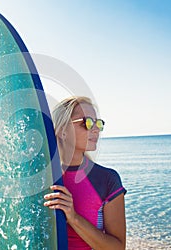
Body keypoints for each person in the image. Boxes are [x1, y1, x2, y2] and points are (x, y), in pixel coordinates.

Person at [43, 96, 126, 250]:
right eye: (87, 122)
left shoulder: (106, 179)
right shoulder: (41, 177)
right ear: (62, 131)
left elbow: (118, 247)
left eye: (98, 123)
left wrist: (73, 217)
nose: (95, 129)